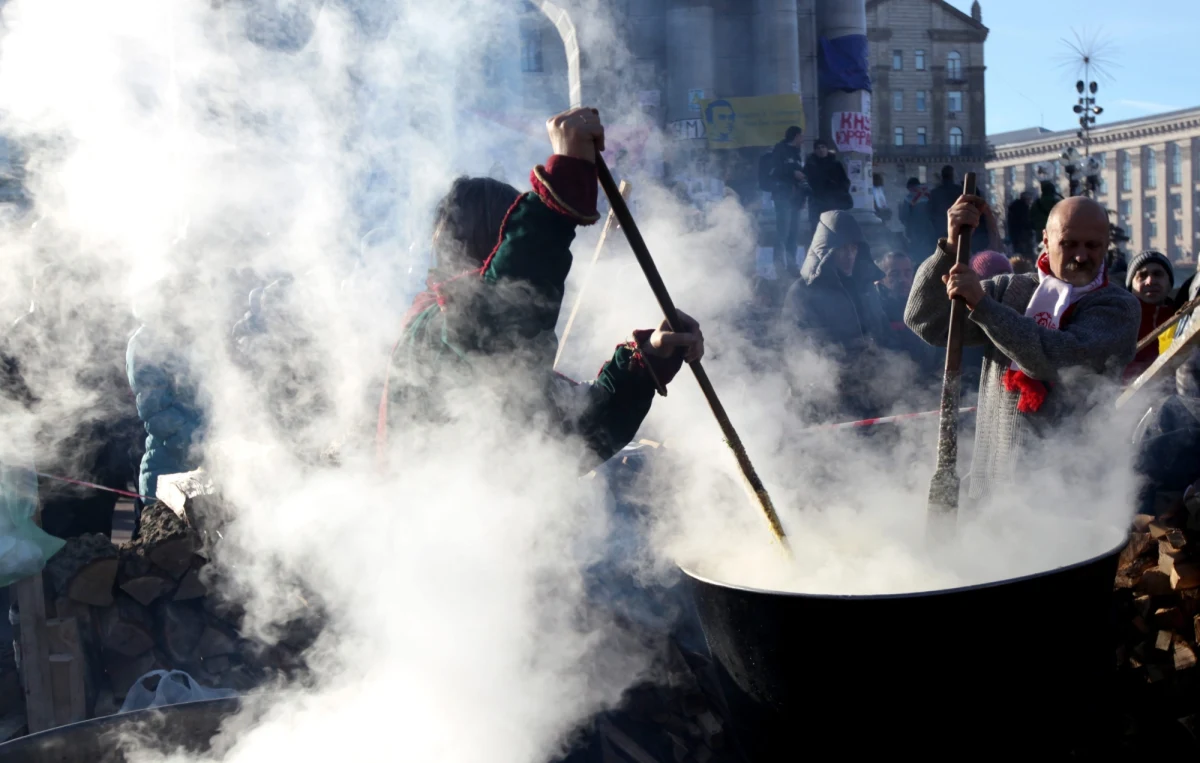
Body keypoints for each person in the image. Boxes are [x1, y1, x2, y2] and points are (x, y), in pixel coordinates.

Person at [378, 107, 704, 472]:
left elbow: (576, 438)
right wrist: (556, 201)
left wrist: (647, 362)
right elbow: (502, 315)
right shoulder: (435, 331)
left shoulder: (474, 336)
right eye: (505, 237)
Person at [905, 195, 1140, 506]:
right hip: (993, 484)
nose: (1081, 256)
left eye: (1092, 246)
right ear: (1046, 240)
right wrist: (949, 249)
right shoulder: (1009, 289)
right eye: (1069, 244)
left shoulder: (1117, 306)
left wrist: (985, 308)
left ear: (1106, 243)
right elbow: (927, 320)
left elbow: (1060, 359)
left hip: (1073, 490)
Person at [782, 210, 888, 419]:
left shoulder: (865, 287)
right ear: (825, 252)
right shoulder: (802, 291)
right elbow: (800, 344)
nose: (849, 256)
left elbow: (881, 328)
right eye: (841, 249)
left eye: (853, 248)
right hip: (828, 395)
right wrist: (851, 350)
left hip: (872, 388)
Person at [1123, 250, 1175, 384]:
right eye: (1142, 275)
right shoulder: (1118, 319)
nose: (1150, 281)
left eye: (1158, 274)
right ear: (1131, 285)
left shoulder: (1182, 319)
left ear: (1169, 283)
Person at [768, 125, 809, 279]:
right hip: (783, 196)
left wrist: (803, 197)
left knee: (793, 234)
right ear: (796, 136)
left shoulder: (798, 153)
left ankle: (792, 265)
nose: (803, 140)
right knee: (782, 232)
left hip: (796, 198)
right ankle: (778, 265)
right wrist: (793, 172)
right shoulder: (780, 150)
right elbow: (776, 170)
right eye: (801, 136)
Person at [803, 140, 851, 238]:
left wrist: (838, 190)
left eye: (823, 147)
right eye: (818, 148)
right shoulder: (810, 165)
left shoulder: (836, 164)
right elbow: (805, 182)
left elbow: (845, 181)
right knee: (817, 231)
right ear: (815, 151)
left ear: (827, 149)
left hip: (833, 202)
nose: (821, 150)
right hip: (816, 203)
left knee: (833, 229)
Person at [899, 177, 936, 259]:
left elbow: (904, 215)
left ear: (910, 187)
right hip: (930, 227)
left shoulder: (909, 197)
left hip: (915, 229)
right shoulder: (930, 194)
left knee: (918, 252)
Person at [927, 165, 959, 234]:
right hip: (956, 227)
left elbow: (929, 211)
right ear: (952, 176)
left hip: (940, 228)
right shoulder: (959, 191)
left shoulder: (934, 192)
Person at [1030, 180, 1062, 245]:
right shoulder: (1057, 202)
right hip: (1054, 231)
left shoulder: (1036, 203)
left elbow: (1031, 217)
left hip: (1040, 232)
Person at [1007, 191, 1034, 256]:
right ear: (1025, 198)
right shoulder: (1023, 207)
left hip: (1015, 235)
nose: (1030, 201)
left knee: (1018, 254)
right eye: (1029, 199)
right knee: (1026, 254)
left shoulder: (1014, 207)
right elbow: (1025, 221)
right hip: (1023, 235)